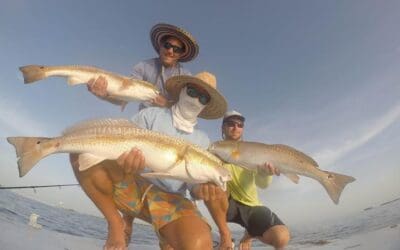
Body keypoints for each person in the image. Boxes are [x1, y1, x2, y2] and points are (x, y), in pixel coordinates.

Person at [70, 72, 228, 250]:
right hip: (134, 185)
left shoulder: (203, 140)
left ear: (205, 106)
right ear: (182, 91)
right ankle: (116, 224)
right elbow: (121, 139)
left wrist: (202, 189)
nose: (196, 99)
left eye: (203, 98)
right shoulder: (150, 115)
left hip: (172, 200)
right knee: (82, 149)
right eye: (192, 91)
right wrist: (127, 163)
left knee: (198, 244)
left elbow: (193, 186)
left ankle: (167, 238)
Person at [205, 110, 290, 250]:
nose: (235, 128)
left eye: (240, 125)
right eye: (231, 124)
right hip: (224, 203)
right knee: (211, 185)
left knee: (281, 238)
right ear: (223, 127)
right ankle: (224, 235)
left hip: (251, 205)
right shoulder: (214, 148)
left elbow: (262, 185)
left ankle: (249, 234)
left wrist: (265, 173)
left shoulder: (253, 151)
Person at [88, 23, 199, 110]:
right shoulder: (143, 67)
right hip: (145, 123)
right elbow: (123, 98)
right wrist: (104, 95)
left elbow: (188, 108)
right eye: (167, 45)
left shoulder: (186, 76)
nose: (170, 51)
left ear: (181, 54)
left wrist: (166, 104)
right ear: (160, 46)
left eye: (177, 49)